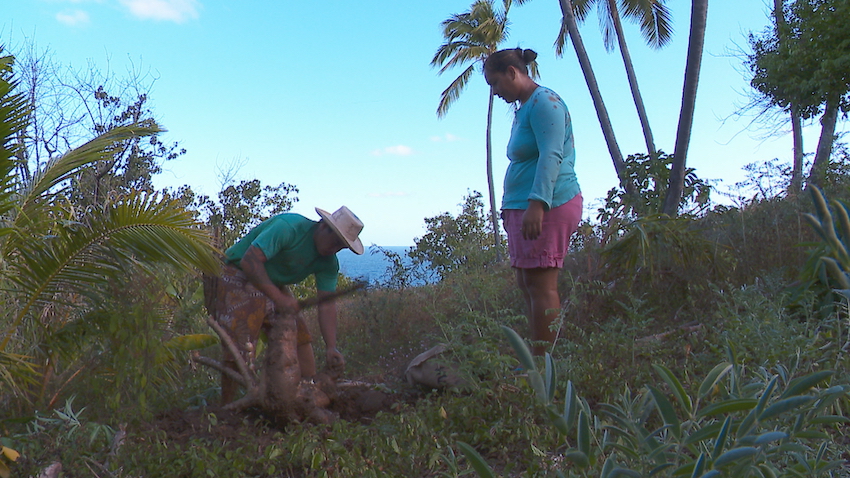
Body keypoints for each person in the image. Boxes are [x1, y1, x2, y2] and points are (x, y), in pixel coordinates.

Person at [205, 206, 364, 404]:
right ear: (323, 226)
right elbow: (250, 262)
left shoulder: (328, 263)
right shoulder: (288, 228)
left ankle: (303, 397)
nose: (335, 249)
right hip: (238, 273)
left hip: (272, 282)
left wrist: (331, 347)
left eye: (341, 246)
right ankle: (227, 406)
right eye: (335, 242)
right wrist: (279, 300)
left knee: (300, 338)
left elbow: (326, 304)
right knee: (240, 345)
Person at [484, 47, 582, 356]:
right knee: (527, 283)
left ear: (513, 73)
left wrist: (537, 204)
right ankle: (536, 354)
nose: (495, 92)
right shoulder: (524, 107)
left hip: (548, 205)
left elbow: (551, 155)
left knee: (542, 285)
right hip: (524, 208)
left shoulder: (545, 103)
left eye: (496, 83)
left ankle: (543, 363)